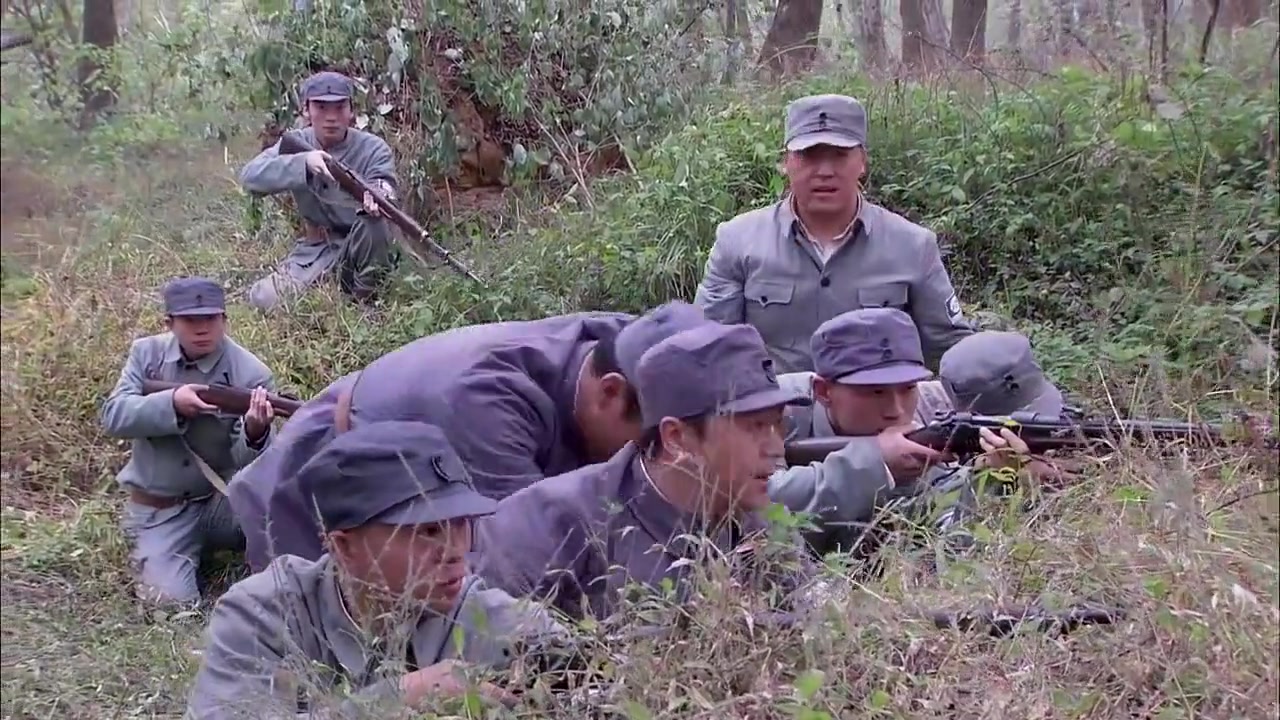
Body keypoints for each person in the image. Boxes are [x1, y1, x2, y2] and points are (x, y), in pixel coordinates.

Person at [228, 302, 708, 572]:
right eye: (653, 440)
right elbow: (528, 557)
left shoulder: (628, 342)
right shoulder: (488, 407)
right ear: (609, 393)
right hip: (313, 476)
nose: (664, 455)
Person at [185, 421, 567, 720]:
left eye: (462, 523)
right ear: (344, 547)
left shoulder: (497, 622)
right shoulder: (266, 613)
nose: (455, 552)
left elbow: (606, 683)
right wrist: (398, 700)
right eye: (428, 531)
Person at [473, 322, 815, 621]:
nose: (776, 448)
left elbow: (818, 632)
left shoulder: (766, 527)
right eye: (754, 427)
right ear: (677, 438)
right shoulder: (547, 525)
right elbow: (484, 667)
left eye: (778, 424)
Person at [694, 94, 973, 374]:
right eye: (809, 155)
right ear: (786, 162)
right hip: (772, 413)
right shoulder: (738, 241)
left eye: (839, 155)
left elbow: (950, 348)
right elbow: (708, 346)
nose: (824, 172)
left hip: (877, 412)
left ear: (862, 161)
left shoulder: (912, 246)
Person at [769, 312, 1064, 556]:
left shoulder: (939, 411)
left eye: (908, 388)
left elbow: (936, 544)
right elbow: (755, 500)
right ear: (824, 391)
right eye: (875, 392)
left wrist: (991, 480)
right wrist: (874, 463)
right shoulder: (775, 409)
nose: (896, 410)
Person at [99, 277, 277, 606]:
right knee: (169, 602)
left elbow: (252, 464)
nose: (202, 329)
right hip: (160, 510)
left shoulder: (251, 374)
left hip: (219, 503)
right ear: (169, 323)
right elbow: (114, 416)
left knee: (284, 515)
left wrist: (255, 431)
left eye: (210, 319)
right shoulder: (146, 354)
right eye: (190, 320)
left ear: (224, 320)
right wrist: (172, 404)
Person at [239, 70, 398, 311]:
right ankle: (330, 288)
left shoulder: (373, 148)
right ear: (306, 111)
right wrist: (303, 163)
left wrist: (379, 194)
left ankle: (366, 300)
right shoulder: (295, 143)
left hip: (359, 249)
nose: (331, 117)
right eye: (321, 107)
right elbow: (250, 177)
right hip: (314, 251)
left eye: (339, 107)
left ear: (351, 111)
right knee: (265, 299)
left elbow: (384, 183)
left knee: (375, 222)